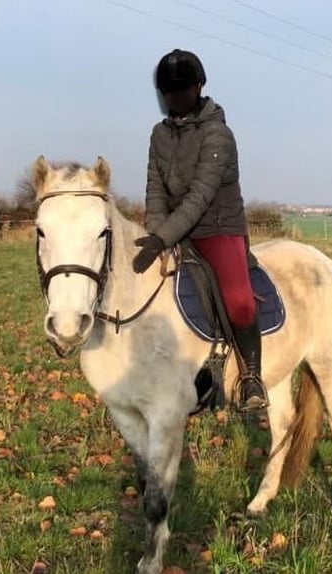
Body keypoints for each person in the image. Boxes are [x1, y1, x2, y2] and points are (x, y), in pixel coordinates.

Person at [131, 48, 269, 412]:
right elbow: (155, 188)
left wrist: (164, 236)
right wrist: (155, 233)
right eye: (167, 93)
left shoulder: (218, 134)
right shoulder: (158, 134)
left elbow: (199, 197)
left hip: (217, 227)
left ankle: (251, 375)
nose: (174, 99)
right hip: (176, 230)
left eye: (181, 91)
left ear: (199, 87)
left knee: (239, 300)